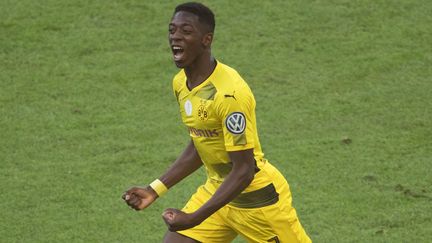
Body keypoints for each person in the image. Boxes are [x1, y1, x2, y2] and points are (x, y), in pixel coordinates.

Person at [123, 2, 312, 243]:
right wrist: (154, 189)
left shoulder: (229, 94)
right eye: (172, 30)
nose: (175, 37)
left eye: (186, 31)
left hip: (258, 203)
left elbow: (244, 170)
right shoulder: (181, 83)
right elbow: (202, 143)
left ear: (206, 39)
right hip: (219, 191)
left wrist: (194, 218)